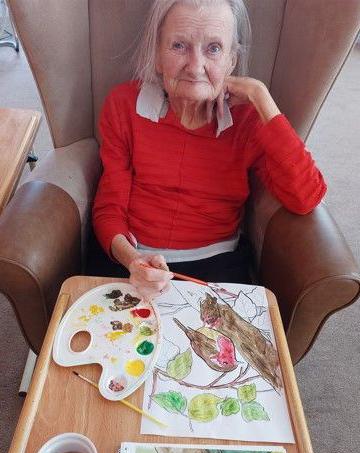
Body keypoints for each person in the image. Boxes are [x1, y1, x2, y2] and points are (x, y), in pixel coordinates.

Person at [92, 0, 327, 299]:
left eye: (213, 48)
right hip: (130, 257)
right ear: (157, 55)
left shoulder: (250, 120)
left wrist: (261, 97)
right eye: (179, 45)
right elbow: (108, 208)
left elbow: (306, 198)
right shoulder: (123, 104)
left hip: (218, 265)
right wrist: (133, 260)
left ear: (232, 60)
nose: (195, 66)